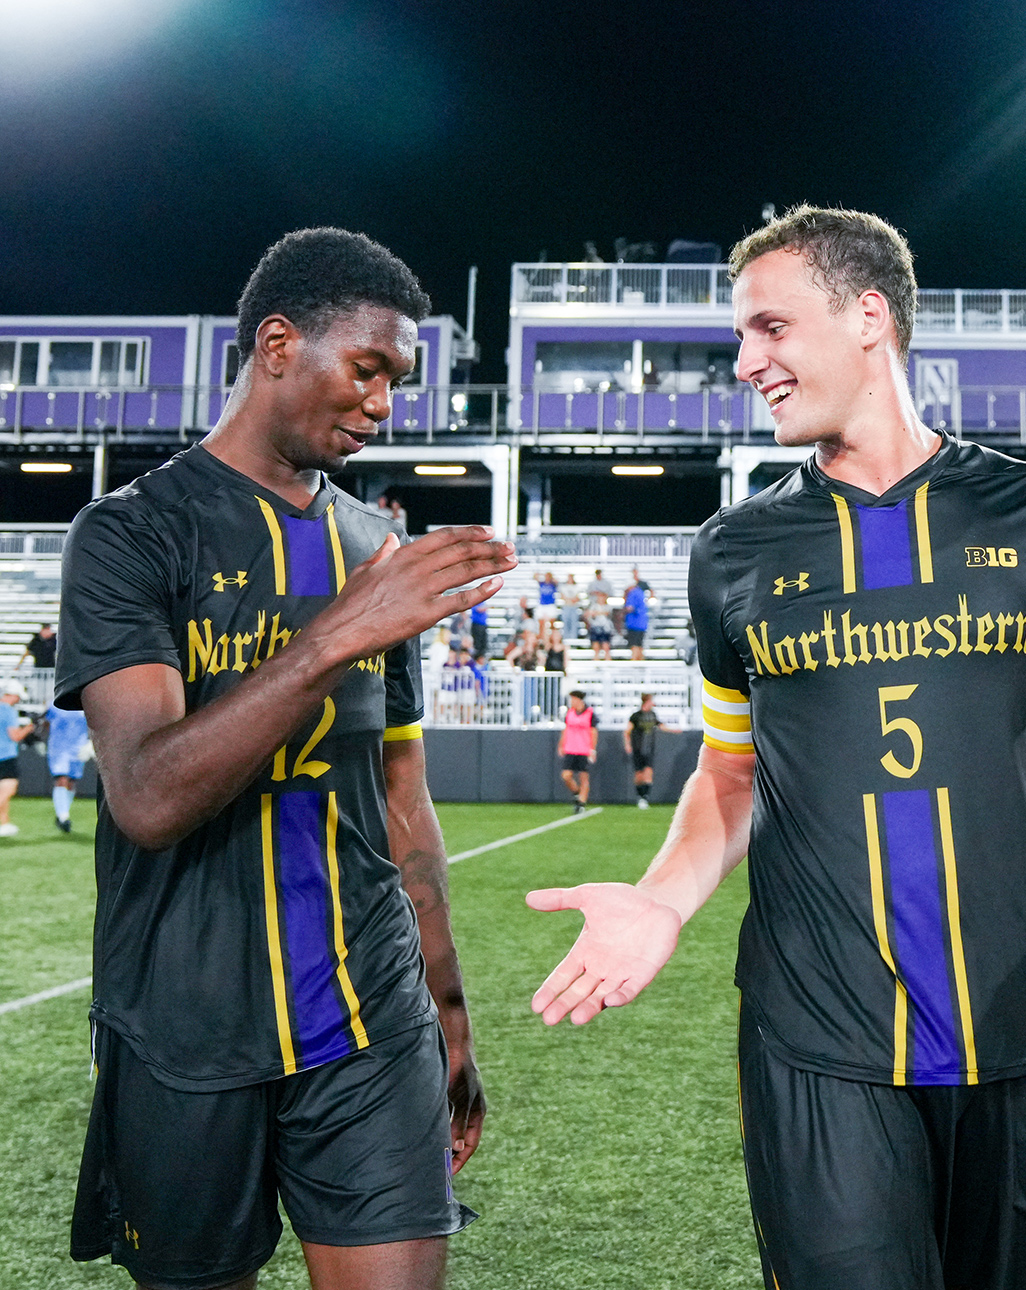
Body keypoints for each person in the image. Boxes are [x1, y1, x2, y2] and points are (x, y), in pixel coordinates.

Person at [525, 205, 1026, 1290]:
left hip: (1015, 1033)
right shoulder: (733, 552)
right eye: (743, 338)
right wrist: (664, 897)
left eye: (771, 328)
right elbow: (730, 771)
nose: (747, 363)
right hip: (815, 1041)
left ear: (869, 316)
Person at [57, 227, 517, 1290]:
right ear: (276, 344)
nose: (382, 406)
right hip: (183, 1022)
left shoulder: (376, 552)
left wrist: (447, 1014)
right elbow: (146, 794)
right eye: (367, 370)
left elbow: (403, 796)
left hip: (370, 1017)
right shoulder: (130, 535)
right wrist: (333, 637)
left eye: (395, 383)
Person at [622, 693, 678, 809]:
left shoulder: (652, 715)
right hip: (638, 747)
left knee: (648, 771)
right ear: (646, 701)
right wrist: (628, 745)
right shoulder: (636, 716)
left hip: (649, 748)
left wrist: (674, 730)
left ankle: (644, 797)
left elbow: (661, 726)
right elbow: (627, 731)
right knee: (638, 774)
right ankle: (639, 795)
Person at [46, 698, 90, 832]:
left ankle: (62, 814)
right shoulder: (55, 705)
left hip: (79, 749)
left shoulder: (87, 705)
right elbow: (46, 722)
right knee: (62, 779)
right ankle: (63, 817)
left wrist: (90, 744)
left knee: (71, 782)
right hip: (59, 749)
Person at [0, 680, 33, 837]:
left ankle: (4, 823)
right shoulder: (8, 711)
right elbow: (15, 736)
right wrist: (29, 728)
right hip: (5, 755)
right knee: (9, 789)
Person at [558, 689, 597, 814]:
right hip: (571, 748)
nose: (571, 702)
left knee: (583, 777)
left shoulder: (590, 713)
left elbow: (593, 732)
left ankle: (581, 803)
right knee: (566, 776)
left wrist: (592, 749)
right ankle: (576, 793)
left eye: (573, 699)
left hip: (584, 749)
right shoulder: (569, 713)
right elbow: (566, 730)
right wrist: (561, 745)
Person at [623, 577, 650, 661]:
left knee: (634, 644)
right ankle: (640, 661)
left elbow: (630, 608)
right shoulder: (641, 593)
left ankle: (634, 661)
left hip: (634, 624)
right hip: (642, 624)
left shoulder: (633, 594)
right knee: (639, 645)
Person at [585, 594, 614, 662]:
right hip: (595, 627)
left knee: (606, 646)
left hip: (605, 628)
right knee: (596, 646)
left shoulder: (608, 606)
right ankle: (596, 661)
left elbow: (607, 613)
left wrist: (596, 613)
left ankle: (608, 661)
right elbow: (589, 614)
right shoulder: (593, 606)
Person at [534, 571, 559, 646]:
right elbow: (535, 576)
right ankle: (541, 637)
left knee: (552, 623)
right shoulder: (542, 583)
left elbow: (557, 581)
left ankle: (552, 638)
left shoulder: (553, 585)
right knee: (541, 623)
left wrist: (551, 577)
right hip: (542, 605)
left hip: (550, 605)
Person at [559, 574, 582, 643]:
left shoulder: (577, 587)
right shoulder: (563, 587)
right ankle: (566, 638)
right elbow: (562, 596)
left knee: (574, 623)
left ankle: (573, 639)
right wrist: (569, 600)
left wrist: (570, 600)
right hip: (566, 606)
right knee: (566, 622)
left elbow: (577, 598)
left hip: (574, 607)